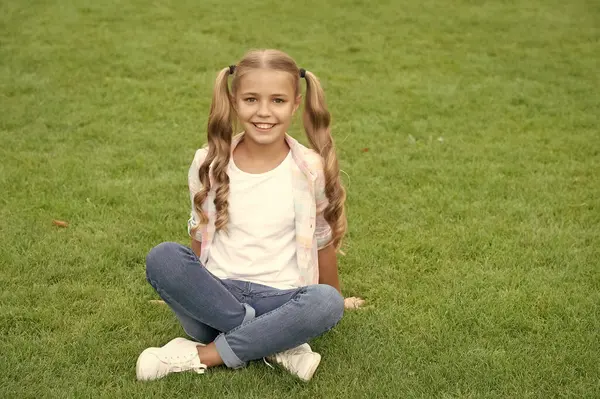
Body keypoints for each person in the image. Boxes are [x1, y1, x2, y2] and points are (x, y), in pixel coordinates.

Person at [136, 49, 364, 383]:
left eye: (277, 101)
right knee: (163, 257)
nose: (264, 112)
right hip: (217, 297)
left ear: (296, 103)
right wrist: (190, 293)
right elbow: (200, 234)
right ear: (233, 100)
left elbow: (322, 242)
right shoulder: (208, 162)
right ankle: (275, 342)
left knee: (326, 302)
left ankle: (204, 354)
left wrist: (338, 301)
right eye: (251, 99)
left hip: (281, 299)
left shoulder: (309, 168)